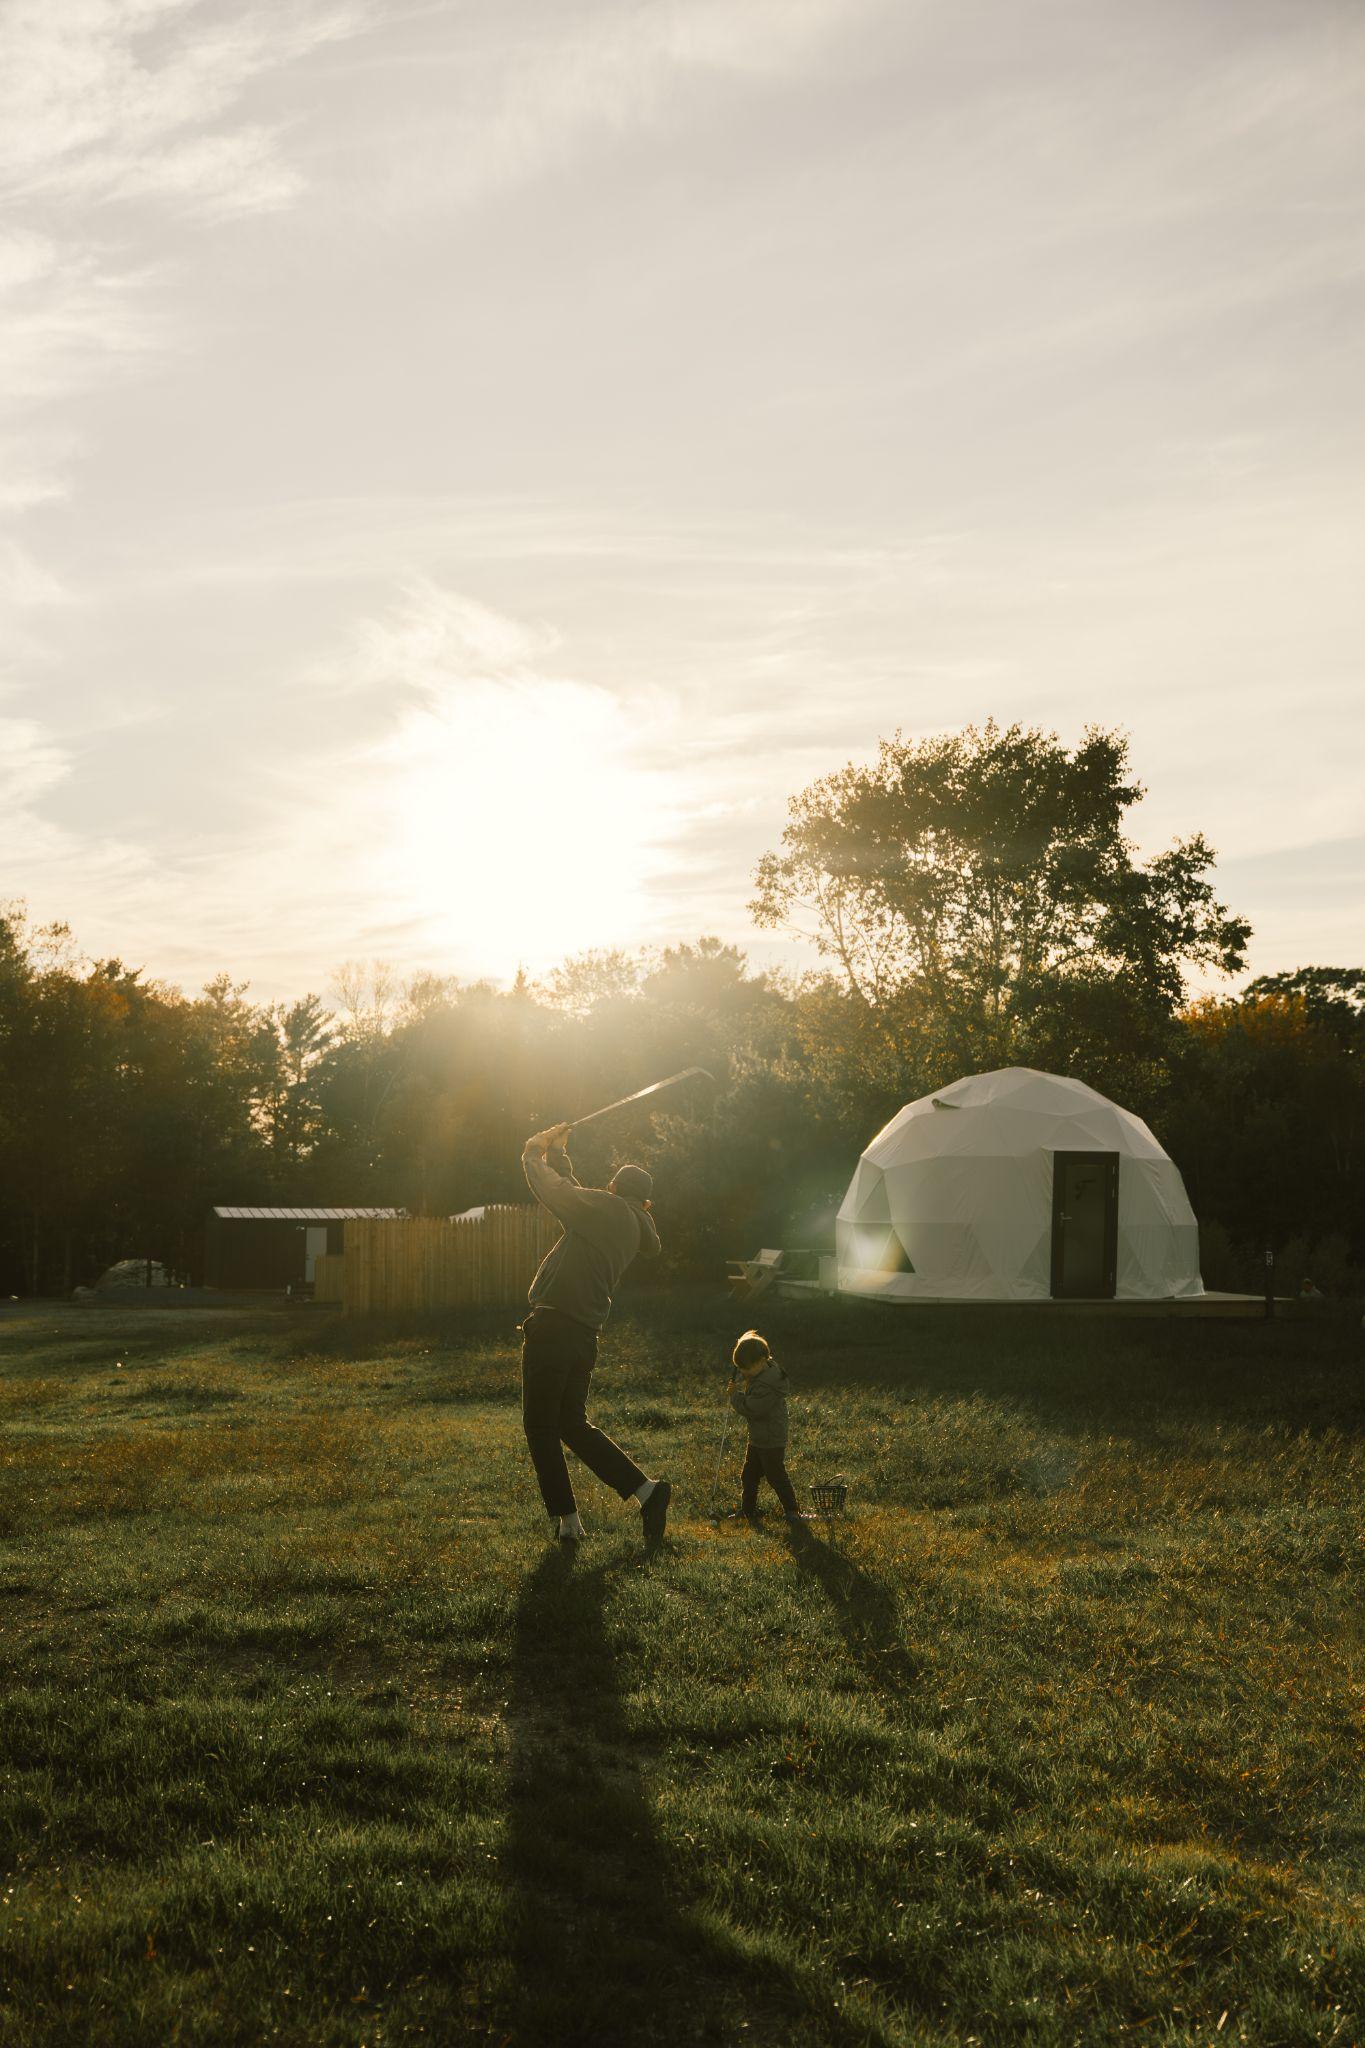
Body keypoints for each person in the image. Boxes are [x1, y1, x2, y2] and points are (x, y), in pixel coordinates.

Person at [520, 1121, 670, 1549]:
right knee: (569, 1423)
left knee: (540, 1425)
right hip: (583, 1334)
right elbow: (577, 1195)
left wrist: (532, 1152)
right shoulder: (629, 1222)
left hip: (555, 1328)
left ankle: (568, 1522)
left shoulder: (606, 1209)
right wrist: (559, 1154)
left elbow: (560, 1194)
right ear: (645, 1201)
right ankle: (647, 1492)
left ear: (612, 1188)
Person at [726, 1328, 807, 1523]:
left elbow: (752, 1408)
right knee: (749, 1475)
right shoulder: (762, 1373)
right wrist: (744, 1384)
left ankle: (792, 1510)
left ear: (762, 1361)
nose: (743, 1372)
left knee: (775, 1475)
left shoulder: (768, 1385)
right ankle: (748, 1510)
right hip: (758, 1437)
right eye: (740, 1368)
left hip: (770, 1438)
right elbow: (752, 1395)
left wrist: (735, 1396)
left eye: (746, 1368)